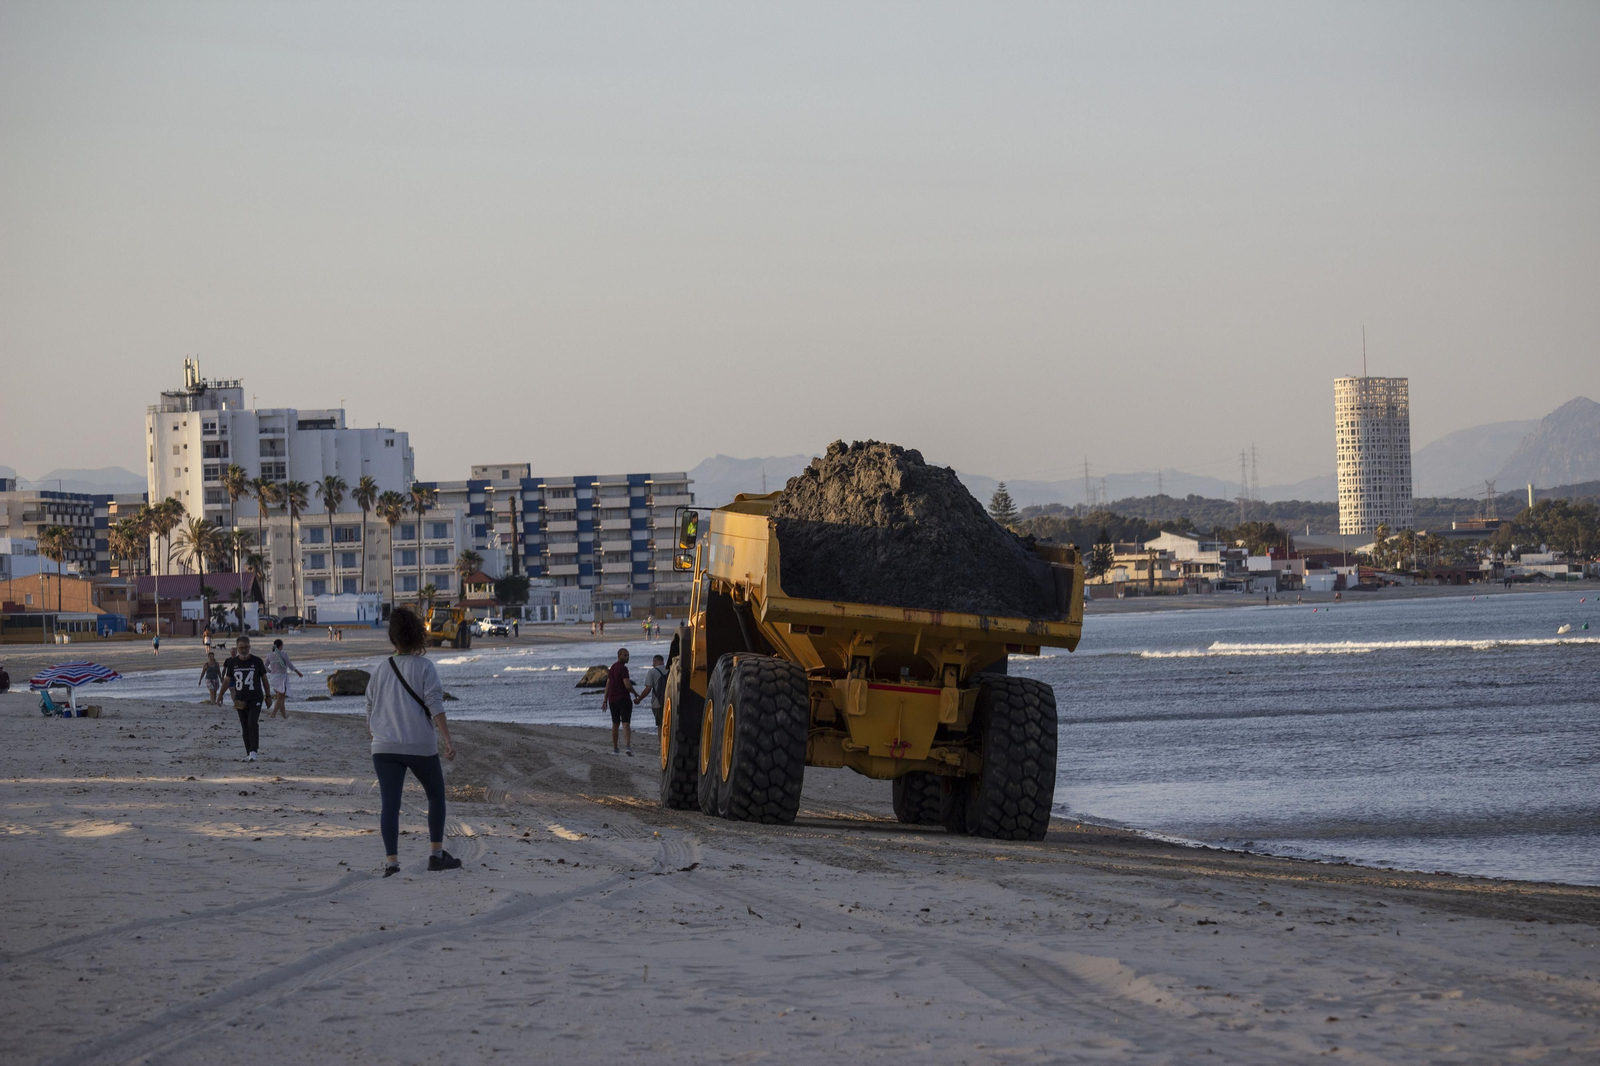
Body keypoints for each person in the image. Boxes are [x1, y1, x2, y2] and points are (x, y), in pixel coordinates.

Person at [366, 608, 460, 877]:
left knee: (390, 805)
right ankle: (436, 855)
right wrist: (448, 739)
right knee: (436, 796)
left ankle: (392, 864)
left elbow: (369, 709)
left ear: (392, 638)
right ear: (418, 635)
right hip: (419, 745)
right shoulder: (425, 667)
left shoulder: (379, 670)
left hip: (384, 748)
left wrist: (376, 735)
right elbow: (434, 703)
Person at [221, 636, 269, 762]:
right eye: (241, 648)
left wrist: (268, 696)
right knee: (244, 726)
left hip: (255, 698)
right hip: (240, 700)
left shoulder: (257, 661)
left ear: (250, 647)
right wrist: (220, 695)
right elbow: (227, 681)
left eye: (246, 647)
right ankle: (249, 752)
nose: (244, 650)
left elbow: (264, 680)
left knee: (252, 723)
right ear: (237, 648)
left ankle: (254, 751)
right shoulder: (232, 663)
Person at [604, 647, 639, 756]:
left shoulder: (613, 667)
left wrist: (605, 700)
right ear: (619, 656)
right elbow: (627, 684)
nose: (627, 657)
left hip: (612, 699)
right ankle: (628, 747)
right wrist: (635, 693)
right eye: (625, 655)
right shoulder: (623, 669)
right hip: (623, 698)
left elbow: (608, 684)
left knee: (615, 723)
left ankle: (615, 749)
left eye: (628, 655)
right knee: (626, 723)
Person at [265, 638, 303, 718]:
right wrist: (297, 672)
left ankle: (284, 715)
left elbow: (265, 666)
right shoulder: (283, 654)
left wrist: (270, 671)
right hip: (281, 678)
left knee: (281, 698)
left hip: (273, 678)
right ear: (280, 646)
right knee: (280, 699)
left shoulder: (269, 655)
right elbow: (289, 665)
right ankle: (273, 714)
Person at [636, 653, 668, 729]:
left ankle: (662, 741)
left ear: (655, 661)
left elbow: (648, 689)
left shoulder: (652, 672)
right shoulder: (669, 670)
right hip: (669, 701)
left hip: (657, 703)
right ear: (663, 661)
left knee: (660, 726)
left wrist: (639, 699)